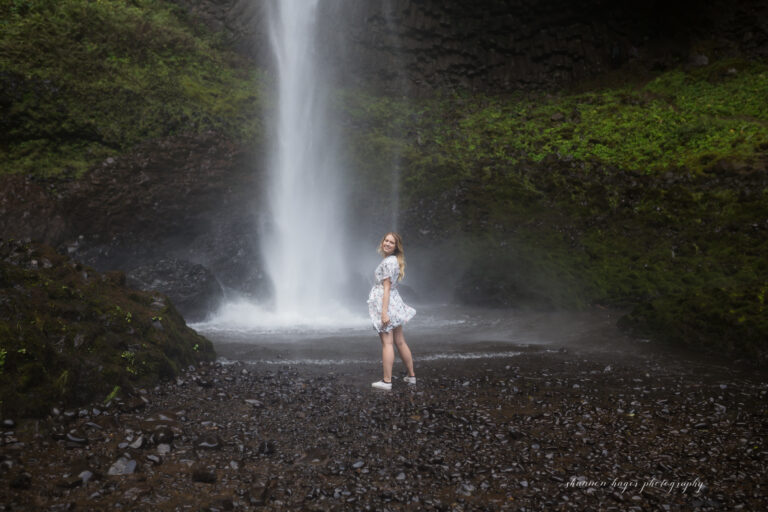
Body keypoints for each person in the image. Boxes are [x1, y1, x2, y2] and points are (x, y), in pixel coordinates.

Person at [367, 232, 416, 390]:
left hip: (386, 303)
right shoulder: (393, 260)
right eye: (386, 240)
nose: (387, 243)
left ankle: (387, 381)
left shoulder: (388, 262)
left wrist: (384, 312)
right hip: (394, 302)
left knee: (387, 343)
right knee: (399, 341)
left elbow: (386, 288)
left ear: (396, 247)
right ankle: (411, 376)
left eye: (391, 242)